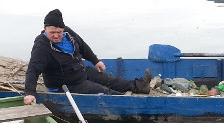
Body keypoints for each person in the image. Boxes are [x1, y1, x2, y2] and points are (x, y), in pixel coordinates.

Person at [23, 9, 151, 105]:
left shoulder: (68, 33)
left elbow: (82, 46)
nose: (56, 36)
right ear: (45, 29)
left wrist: (95, 61)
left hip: (80, 71)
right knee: (104, 91)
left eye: (59, 32)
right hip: (65, 83)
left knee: (110, 80)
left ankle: (140, 86)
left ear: (63, 29)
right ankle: (130, 102)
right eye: (52, 32)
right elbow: (33, 69)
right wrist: (30, 93)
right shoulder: (41, 46)